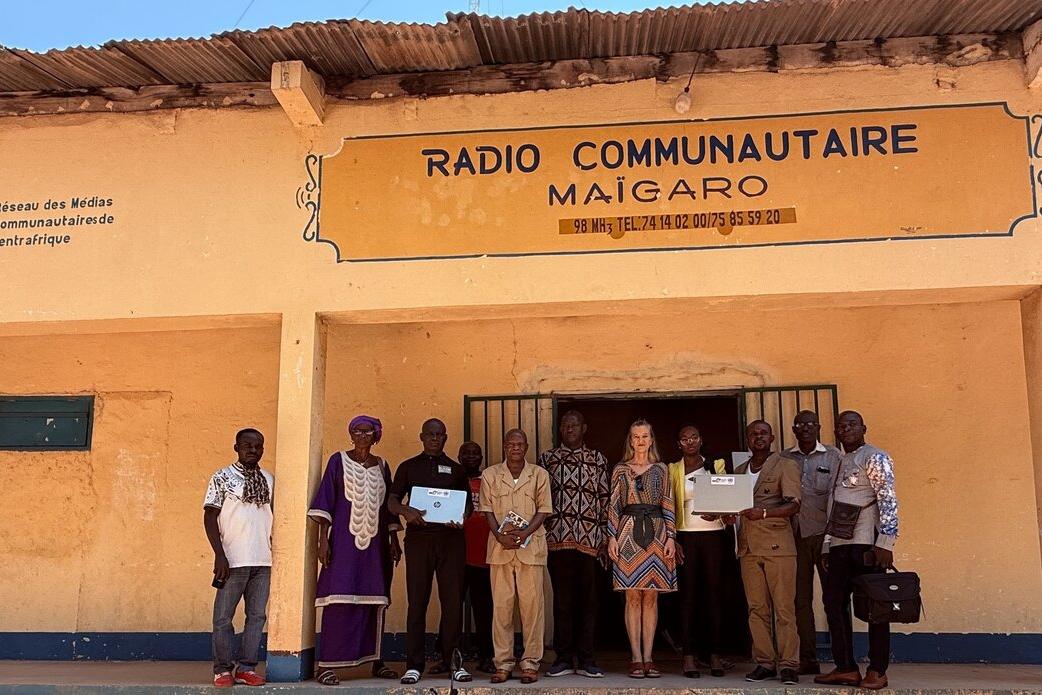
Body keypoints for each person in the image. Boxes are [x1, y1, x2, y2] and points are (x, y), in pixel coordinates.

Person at [307, 415, 401, 685]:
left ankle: (374, 661)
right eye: (356, 431)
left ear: (376, 435)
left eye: (367, 431)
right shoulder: (338, 461)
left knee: (373, 602)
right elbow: (326, 501)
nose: (361, 436)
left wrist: (394, 540)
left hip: (375, 546)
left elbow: (388, 508)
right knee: (338, 599)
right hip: (343, 544)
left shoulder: (383, 466)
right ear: (350, 434)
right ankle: (326, 664)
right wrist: (323, 540)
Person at [815, 411, 899, 690]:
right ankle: (846, 668)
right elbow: (832, 504)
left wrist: (885, 542)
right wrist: (827, 545)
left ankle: (877, 670)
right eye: (841, 426)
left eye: (851, 424)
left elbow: (887, 499)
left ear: (864, 427)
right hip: (840, 545)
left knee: (876, 608)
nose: (846, 429)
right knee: (834, 605)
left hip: (866, 544)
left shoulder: (875, 456)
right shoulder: (839, 460)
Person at [388, 418, 473, 685]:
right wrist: (406, 511)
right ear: (422, 436)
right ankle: (413, 665)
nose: (435, 438)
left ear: (446, 438)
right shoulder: (408, 467)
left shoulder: (457, 470)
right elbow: (391, 500)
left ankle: (453, 662)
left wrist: (461, 518)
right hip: (419, 541)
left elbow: (467, 505)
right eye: (430, 434)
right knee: (417, 602)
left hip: (451, 541)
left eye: (439, 435)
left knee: (452, 603)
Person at [537, 410, 609, 678]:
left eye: (575, 424)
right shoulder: (548, 458)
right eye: (565, 425)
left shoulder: (597, 459)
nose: (569, 428)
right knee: (563, 602)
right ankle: (564, 657)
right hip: (557, 539)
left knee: (589, 602)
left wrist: (605, 536)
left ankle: (588, 658)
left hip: (590, 540)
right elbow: (539, 498)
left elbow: (605, 498)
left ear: (584, 428)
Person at [730, 420, 802, 685]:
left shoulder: (786, 465)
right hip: (748, 547)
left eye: (763, 433)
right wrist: (728, 517)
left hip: (778, 546)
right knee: (756, 608)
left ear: (772, 437)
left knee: (784, 608)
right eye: (753, 434)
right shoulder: (739, 471)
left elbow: (794, 505)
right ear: (747, 439)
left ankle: (789, 664)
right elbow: (736, 508)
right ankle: (764, 662)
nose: (758, 437)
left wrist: (764, 512)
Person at [479, 429, 553, 685]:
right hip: (500, 550)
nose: (515, 448)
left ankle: (530, 663)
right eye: (510, 444)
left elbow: (543, 510)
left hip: (530, 550)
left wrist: (523, 534)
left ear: (527, 446)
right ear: (504, 446)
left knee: (532, 610)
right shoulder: (490, 475)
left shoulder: (539, 475)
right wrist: (500, 537)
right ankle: (503, 663)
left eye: (520, 444)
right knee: (501, 609)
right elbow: (486, 510)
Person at [607, 419, 677, 680]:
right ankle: (635, 657)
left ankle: (649, 657)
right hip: (627, 533)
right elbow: (613, 505)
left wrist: (671, 537)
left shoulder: (662, 469)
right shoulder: (621, 469)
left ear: (651, 439)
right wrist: (611, 537)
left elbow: (668, 503)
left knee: (651, 596)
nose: (640, 441)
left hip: (657, 533)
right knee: (632, 596)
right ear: (630, 440)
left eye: (645, 436)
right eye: (636, 437)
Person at [203, 428, 273, 688]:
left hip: (263, 561)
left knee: (256, 617)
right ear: (236, 447)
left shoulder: (269, 479)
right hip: (232, 560)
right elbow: (210, 516)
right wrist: (219, 555)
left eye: (258, 446)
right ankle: (222, 670)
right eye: (247, 445)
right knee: (223, 618)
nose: (253, 450)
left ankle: (246, 668)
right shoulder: (221, 477)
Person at [667, 424, 731, 678]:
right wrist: (673, 538)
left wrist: (720, 511)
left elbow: (728, 497)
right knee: (688, 598)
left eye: (694, 437)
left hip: (714, 536)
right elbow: (667, 505)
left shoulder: (716, 465)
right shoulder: (672, 470)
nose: (690, 442)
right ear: (678, 444)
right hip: (685, 538)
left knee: (714, 596)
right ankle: (689, 656)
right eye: (684, 439)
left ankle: (714, 653)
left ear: (701, 440)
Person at [784, 410, 842, 675]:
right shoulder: (784, 458)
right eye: (800, 424)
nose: (805, 428)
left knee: (833, 598)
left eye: (810, 424)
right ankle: (808, 657)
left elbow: (841, 496)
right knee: (800, 599)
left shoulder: (834, 456)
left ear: (819, 427)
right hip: (794, 536)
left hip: (824, 536)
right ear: (794, 429)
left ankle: (844, 659)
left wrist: (834, 538)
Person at [459, 441, 495, 673]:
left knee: (485, 610)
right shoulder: (452, 479)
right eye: (466, 453)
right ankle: (446, 656)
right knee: (452, 609)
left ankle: (486, 657)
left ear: (482, 457)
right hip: (456, 556)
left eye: (475, 453)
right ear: (459, 456)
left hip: (484, 555)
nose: (471, 456)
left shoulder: (488, 481)